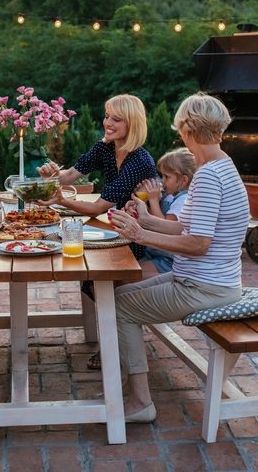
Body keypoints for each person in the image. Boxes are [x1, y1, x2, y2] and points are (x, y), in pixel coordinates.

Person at [108, 92, 250, 423]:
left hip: (203, 287)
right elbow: (185, 226)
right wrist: (144, 218)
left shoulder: (208, 176)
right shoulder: (221, 167)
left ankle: (140, 401)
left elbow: (198, 243)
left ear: (186, 130)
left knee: (116, 308)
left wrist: (140, 236)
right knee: (115, 297)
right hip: (209, 281)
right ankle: (129, 389)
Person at [38, 94, 158, 370]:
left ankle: (117, 340)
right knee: (89, 277)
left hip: (138, 236)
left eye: (116, 119)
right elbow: (70, 175)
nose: (108, 123)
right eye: (106, 116)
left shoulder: (139, 160)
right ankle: (115, 333)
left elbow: (100, 206)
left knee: (94, 278)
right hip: (115, 229)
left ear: (133, 123)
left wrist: (61, 200)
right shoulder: (105, 148)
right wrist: (50, 175)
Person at [134, 147, 196, 278]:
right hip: (155, 254)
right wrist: (143, 200)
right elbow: (150, 218)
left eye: (167, 177)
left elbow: (165, 228)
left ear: (183, 180)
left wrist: (153, 200)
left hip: (168, 261)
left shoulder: (183, 200)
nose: (162, 181)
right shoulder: (170, 195)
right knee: (125, 270)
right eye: (162, 175)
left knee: (129, 276)